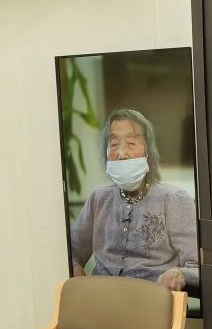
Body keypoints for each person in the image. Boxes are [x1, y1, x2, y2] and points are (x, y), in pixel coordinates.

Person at [70, 109, 199, 291]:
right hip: (101, 300)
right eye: (113, 144)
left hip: (152, 301)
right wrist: (75, 269)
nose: (122, 153)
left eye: (131, 143)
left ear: (149, 152)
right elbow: (71, 252)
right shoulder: (98, 199)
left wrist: (179, 273)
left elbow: (198, 267)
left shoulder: (173, 200)